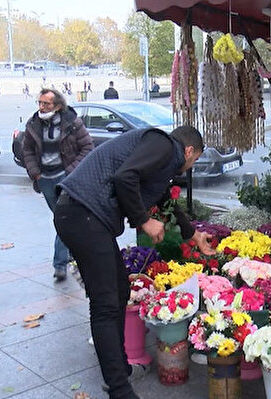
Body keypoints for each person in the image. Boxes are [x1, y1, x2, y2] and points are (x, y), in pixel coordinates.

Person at [53, 125, 215, 399]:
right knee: (105, 304)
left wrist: (195, 235)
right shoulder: (164, 145)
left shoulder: (161, 159)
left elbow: (166, 200)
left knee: (120, 292)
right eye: (195, 160)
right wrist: (142, 220)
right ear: (189, 150)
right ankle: (120, 390)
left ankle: (119, 371)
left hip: (85, 216)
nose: (189, 167)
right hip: (82, 214)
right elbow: (124, 177)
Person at [22, 89, 94, 281]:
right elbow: (27, 149)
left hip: (65, 179)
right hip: (44, 179)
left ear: (58, 106)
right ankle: (71, 256)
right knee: (63, 219)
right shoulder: (33, 124)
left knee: (63, 219)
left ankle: (60, 264)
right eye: (40, 103)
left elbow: (87, 147)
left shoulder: (72, 123)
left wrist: (70, 171)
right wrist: (35, 172)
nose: (42, 107)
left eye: (46, 104)